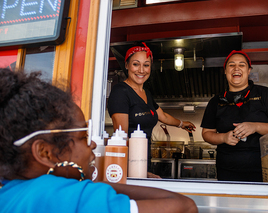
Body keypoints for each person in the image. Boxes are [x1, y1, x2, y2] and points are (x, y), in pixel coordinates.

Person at [0, 68, 198, 213]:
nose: (93, 144)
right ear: (45, 152)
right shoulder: (70, 196)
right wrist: (91, 181)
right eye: (83, 137)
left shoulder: (8, 191)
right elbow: (185, 207)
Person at [107, 42, 195, 175]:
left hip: (143, 160)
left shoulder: (146, 93)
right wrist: (137, 171)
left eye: (146, 65)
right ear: (126, 65)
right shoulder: (120, 92)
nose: (141, 70)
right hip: (129, 164)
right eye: (136, 64)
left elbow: (162, 116)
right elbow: (121, 137)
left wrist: (182, 124)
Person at [201, 50, 268, 182]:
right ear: (225, 71)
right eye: (231, 65)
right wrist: (224, 137)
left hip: (264, 169)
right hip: (227, 171)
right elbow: (207, 133)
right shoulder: (216, 101)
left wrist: (255, 127)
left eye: (242, 65)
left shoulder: (265, 94)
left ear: (249, 71)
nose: (236, 68)